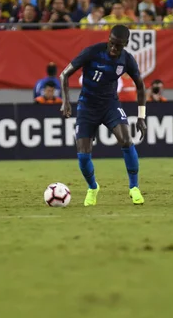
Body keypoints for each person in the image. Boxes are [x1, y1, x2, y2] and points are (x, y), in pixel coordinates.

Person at [59, 25, 146, 206]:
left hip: (110, 105)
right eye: (112, 43)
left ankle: (134, 187)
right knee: (83, 155)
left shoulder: (127, 60)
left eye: (119, 46)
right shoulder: (92, 52)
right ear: (108, 39)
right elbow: (64, 74)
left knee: (126, 140)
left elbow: (140, 86)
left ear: (126, 44)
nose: (114, 48)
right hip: (87, 106)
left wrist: (141, 117)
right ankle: (92, 188)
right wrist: (65, 101)